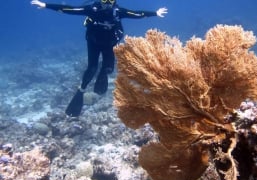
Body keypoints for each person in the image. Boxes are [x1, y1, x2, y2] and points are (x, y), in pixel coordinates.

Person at [31, 0, 168, 117]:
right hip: (94, 43)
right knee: (92, 68)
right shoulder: (93, 9)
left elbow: (138, 14)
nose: (107, 3)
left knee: (108, 68)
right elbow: (69, 9)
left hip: (109, 44)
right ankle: (82, 89)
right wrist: (45, 5)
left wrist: (155, 13)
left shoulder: (118, 12)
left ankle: (102, 76)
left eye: (110, 0)